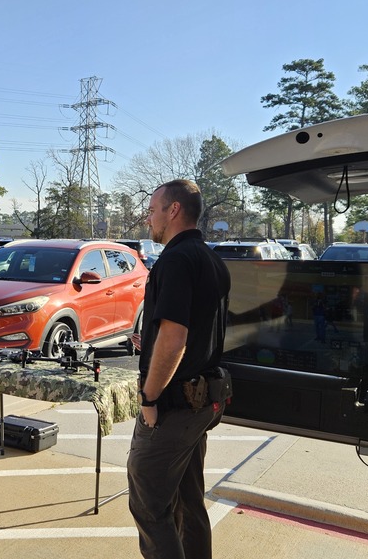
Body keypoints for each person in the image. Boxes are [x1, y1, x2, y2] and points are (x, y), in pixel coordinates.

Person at [127, 180, 231, 559]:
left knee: (150, 507)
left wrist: (149, 398)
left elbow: (175, 337)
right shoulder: (211, 258)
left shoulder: (175, 259)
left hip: (172, 406)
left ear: (173, 211)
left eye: (153, 209)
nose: (148, 217)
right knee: (189, 503)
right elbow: (197, 329)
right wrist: (152, 346)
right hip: (202, 404)